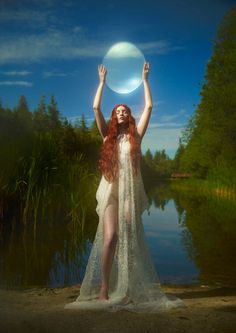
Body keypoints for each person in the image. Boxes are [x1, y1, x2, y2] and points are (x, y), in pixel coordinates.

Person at [64, 63, 185, 312]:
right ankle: (104, 287)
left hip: (129, 192)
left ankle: (128, 285)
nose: (120, 112)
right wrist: (101, 82)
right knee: (109, 238)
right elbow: (95, 107)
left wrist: (145, 79)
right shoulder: (107, 137)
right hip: (110, 192)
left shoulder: (136, 136)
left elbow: (150, 106)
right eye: (117, 110)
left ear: (128, 116)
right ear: (113, 116)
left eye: (124, 110)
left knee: (130, 234)